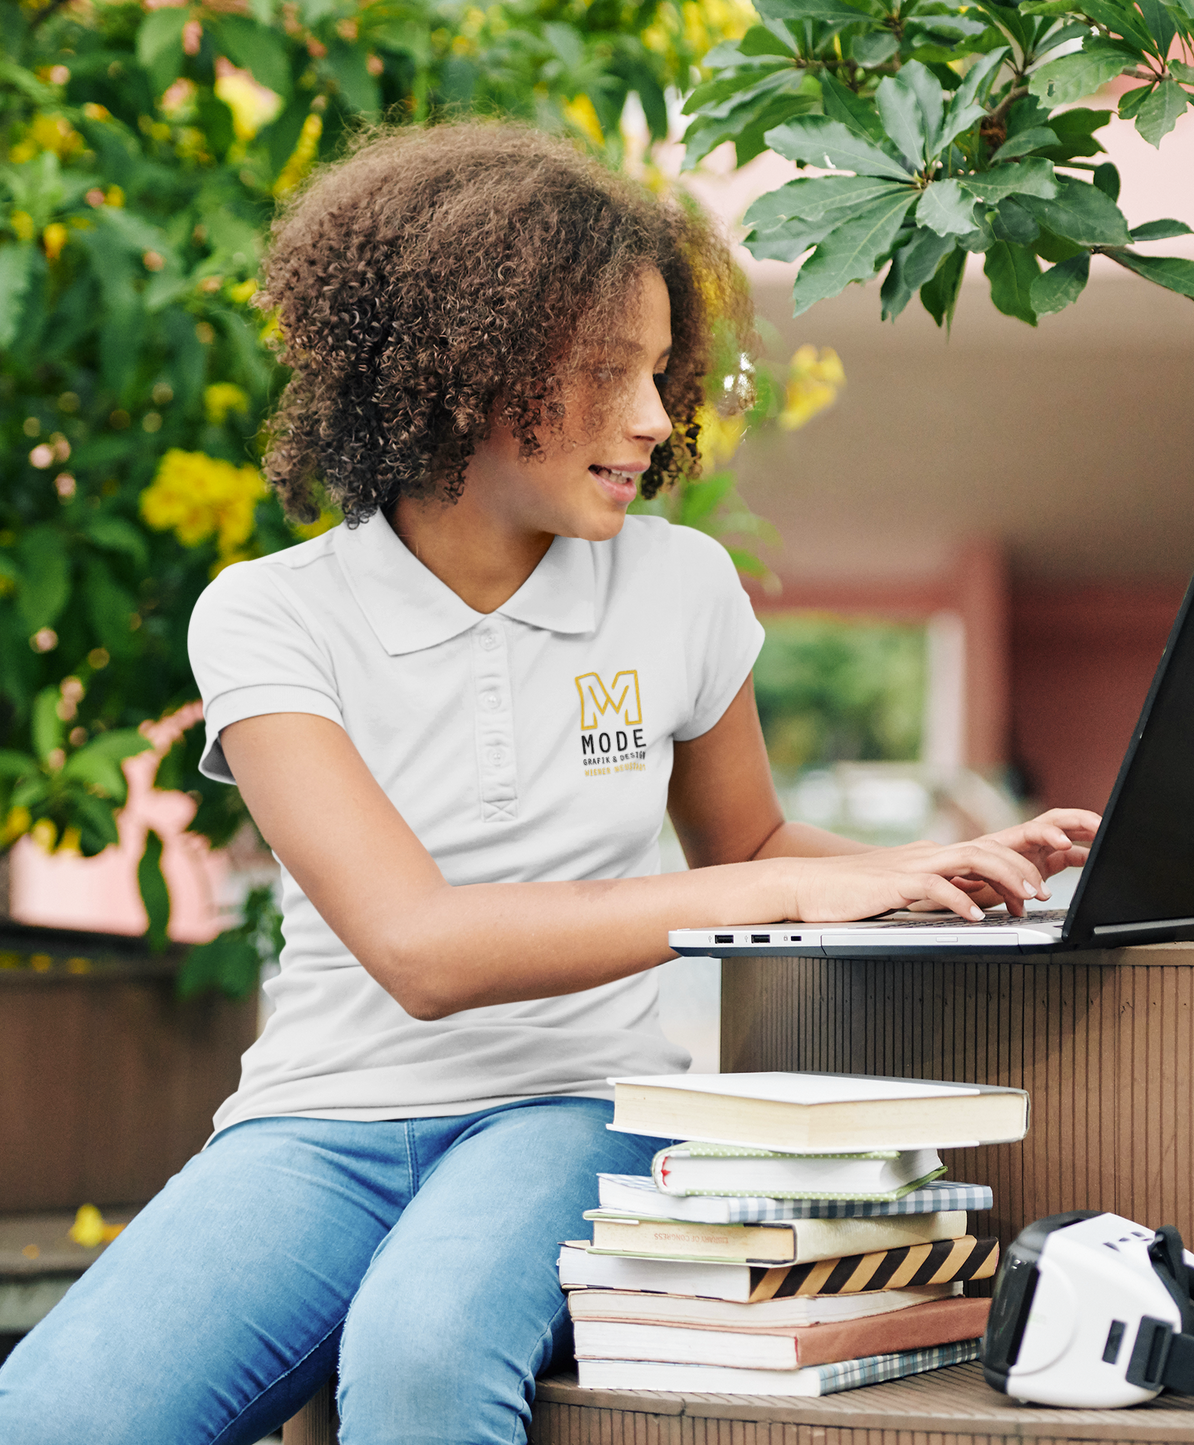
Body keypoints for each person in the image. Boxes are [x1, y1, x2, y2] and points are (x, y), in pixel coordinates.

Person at [0, 122, 1098, 1444]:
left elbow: (745, 840)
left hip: (580, 1104)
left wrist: (943, 872)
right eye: (604, 373)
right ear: (467, 372)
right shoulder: (269, 619)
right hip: (320, 1126)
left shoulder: (678, 586)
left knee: (419, 1362)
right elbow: (420, 949)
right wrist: (804, 884)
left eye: (659, 372)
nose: (654, 417)